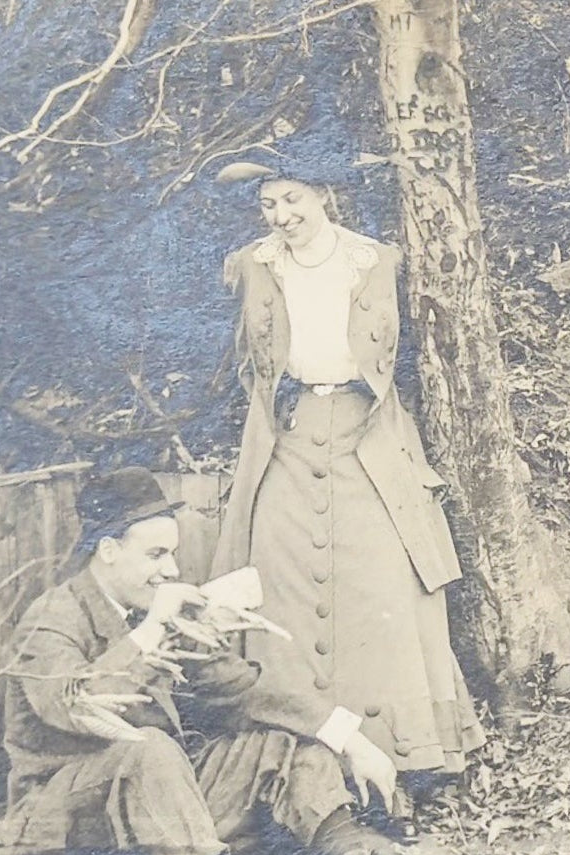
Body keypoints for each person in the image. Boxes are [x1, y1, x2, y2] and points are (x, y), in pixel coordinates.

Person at [2, 468, 480, 855]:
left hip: (157, 805)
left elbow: (248, 691)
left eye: (173, 553)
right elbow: (78, 706)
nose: (170, 570)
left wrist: (351, 738)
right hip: (67, 821)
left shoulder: (151, 609)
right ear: (107, 550)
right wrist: (151, 632)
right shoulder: (52, 618)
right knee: (148, 747)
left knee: (279, 740)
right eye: (155, 555)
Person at [207, 155, 484, 807]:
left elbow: (417, 351)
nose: (282, 216)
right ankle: (296, 757)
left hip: (368, 435)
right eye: (269, 203)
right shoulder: (251, 264)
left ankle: (411, 757)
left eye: (293, 198)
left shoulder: (377, 261)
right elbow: (247, 356)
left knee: (385, 582)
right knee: (280, 582)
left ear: (325, 194)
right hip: (287, 434)